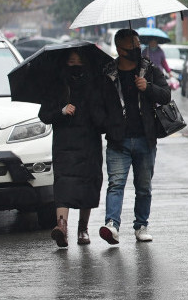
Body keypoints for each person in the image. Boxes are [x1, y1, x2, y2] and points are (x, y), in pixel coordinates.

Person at [98, 28, 170, 245]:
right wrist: (107, 125)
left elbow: (166, 95)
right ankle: (112, 225)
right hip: (118, 140)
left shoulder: (148, 69)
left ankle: (141, 225)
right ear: (120, 49)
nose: (137, 48)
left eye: (138, 44)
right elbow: (99, 104)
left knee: (144, 187)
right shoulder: (108, 74)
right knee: (116, 184)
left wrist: (147, 87)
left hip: (145, 138)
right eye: (132, 44)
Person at [37, 49, 105, 248]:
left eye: (79, 60)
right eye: (71, 61)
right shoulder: (56, 85)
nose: (75, 65)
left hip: (89, 143)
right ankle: (62, 228)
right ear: (64, 63)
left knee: (88, 184)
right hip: (64, 144)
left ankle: (82, 229)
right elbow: (45, 115)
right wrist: (62, 110)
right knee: (64, 184)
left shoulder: (95, 83)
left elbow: (102, 112)